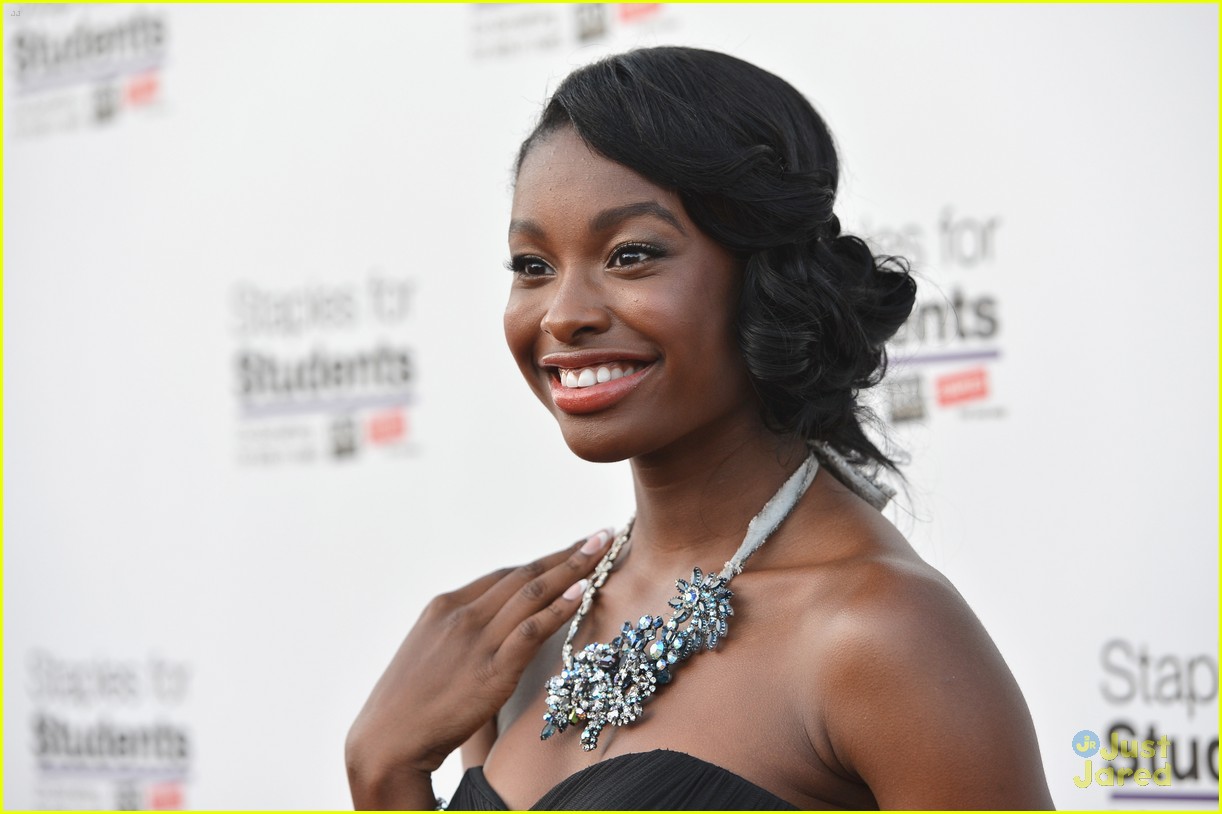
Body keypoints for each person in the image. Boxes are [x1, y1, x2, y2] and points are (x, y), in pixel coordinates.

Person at [345, 46, 1053, 810]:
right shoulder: (517, 641)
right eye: (531, 265)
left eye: (632, 255)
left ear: (765, 278)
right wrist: (384, 772)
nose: (563, 313)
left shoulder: (880, 633)